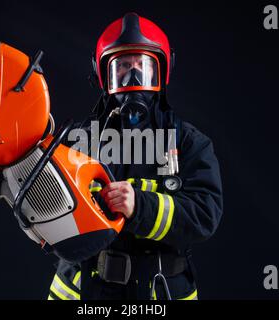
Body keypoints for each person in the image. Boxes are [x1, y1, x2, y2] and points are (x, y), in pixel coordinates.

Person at [48, 12, 223, 300]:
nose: (134, 76)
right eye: (123, 67)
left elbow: (205, 215)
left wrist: (140, 206)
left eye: (143, 66)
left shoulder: (189, 142)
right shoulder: (76, 141)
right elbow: (46, 205)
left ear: (162, 72)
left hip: (160, 291)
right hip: (83, 291)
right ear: (103, 76)